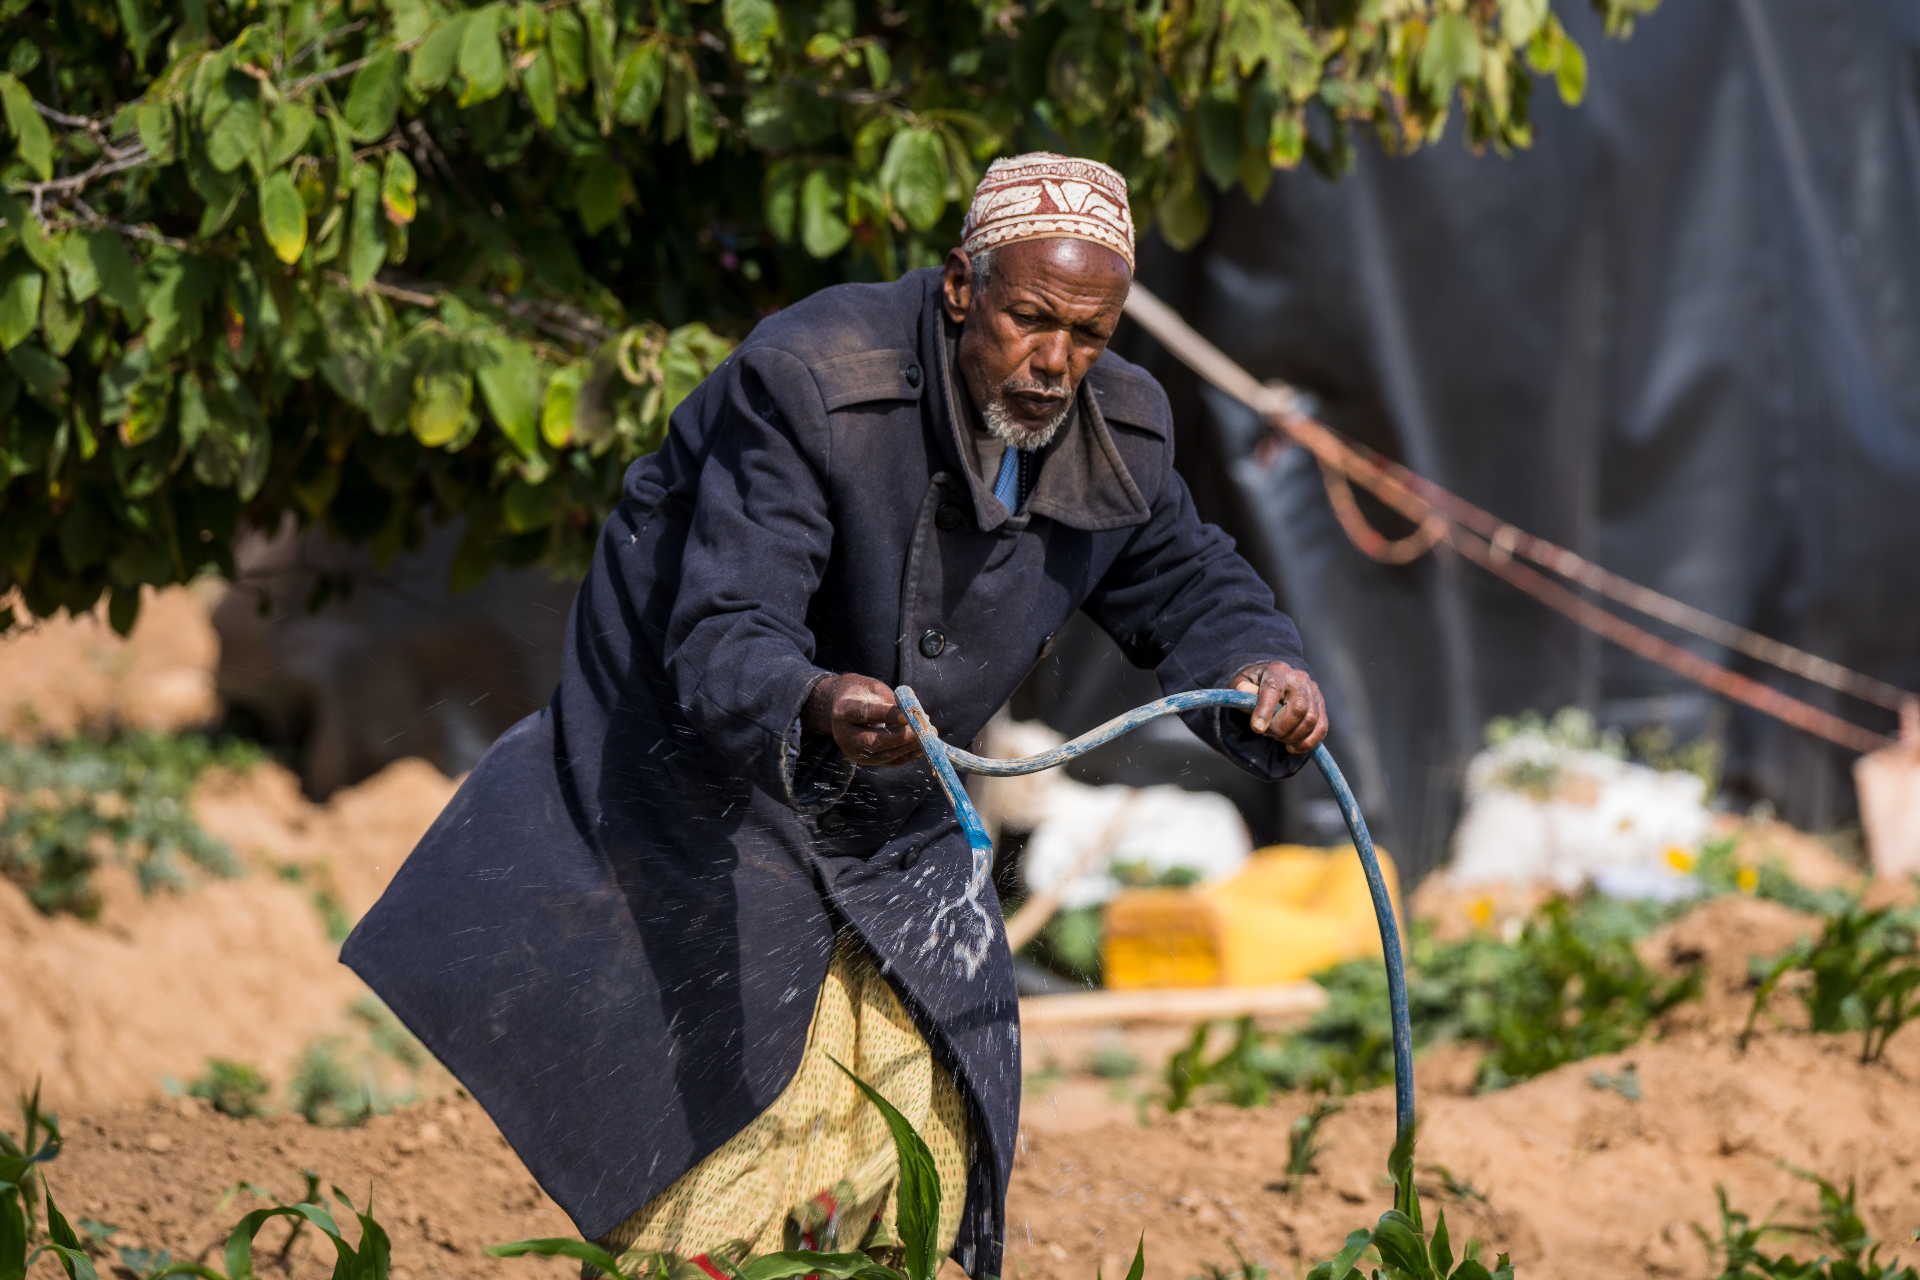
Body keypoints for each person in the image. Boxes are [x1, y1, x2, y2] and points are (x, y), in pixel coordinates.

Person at [343, 152, 1327, 1279]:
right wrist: (815, 699)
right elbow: (727, 627)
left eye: (1089, 335)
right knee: (737, 1111)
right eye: (1030, 320)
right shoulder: (814, 382)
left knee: (928, 1092)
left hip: (895, 782)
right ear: (961, 285)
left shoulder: (1118, 428)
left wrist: (1264, 665)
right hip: (713, 759)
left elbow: (1186, 578)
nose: (1056, 363)